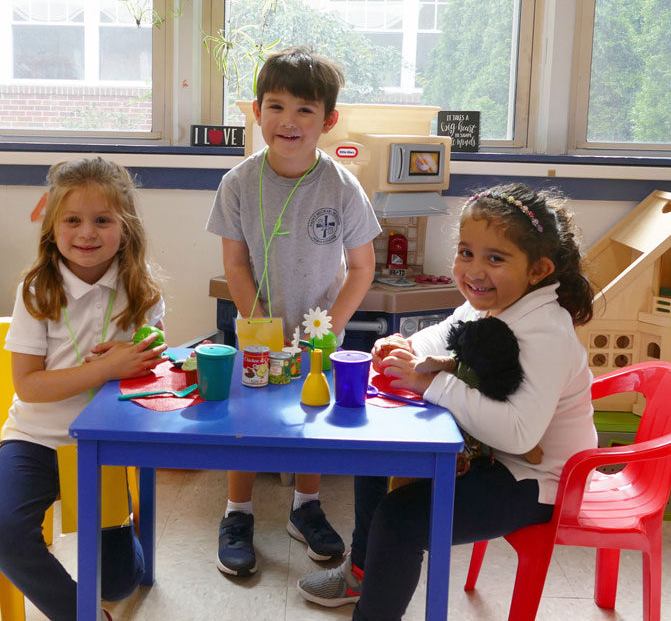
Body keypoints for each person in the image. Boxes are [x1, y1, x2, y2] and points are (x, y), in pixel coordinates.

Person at [297, 182, 598, 620]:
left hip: (537, 480)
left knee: (401, 521)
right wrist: (402, 344)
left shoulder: (545, 330)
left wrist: (429, 385)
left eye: (495, 258)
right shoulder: (490, 304)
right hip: (490, 454)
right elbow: (443, 335)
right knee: (374, 461)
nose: (474, 271)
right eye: (466, 252)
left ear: (538, 270)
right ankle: (361, 571)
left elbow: (518, 434)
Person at [206, 46, 381, 576]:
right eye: (276, 106)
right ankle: (238, 513)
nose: (289, 120)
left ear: (328, 120)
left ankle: (306, 508)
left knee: (311, 419)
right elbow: (234, 264)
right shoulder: (238, 182)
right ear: (257, 112)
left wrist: (331, 327)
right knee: (246, 419)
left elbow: (362, 268)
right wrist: (261, 325)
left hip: (319, 336)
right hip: (257, 328)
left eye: (305, 110)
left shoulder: (343, 186)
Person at [0, 157, 167, 621]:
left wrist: (146, 352)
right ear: (52, 227)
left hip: (103, 444)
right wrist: (105, 368)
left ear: (125, 227)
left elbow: (152, 366)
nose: (86, 233)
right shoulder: (36, 291)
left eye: (102, 220)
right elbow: (28, 387)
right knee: (4, 533)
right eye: (72, 220)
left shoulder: (143, 292)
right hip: (34, 440)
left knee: (119, 581)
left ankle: (123, 532)